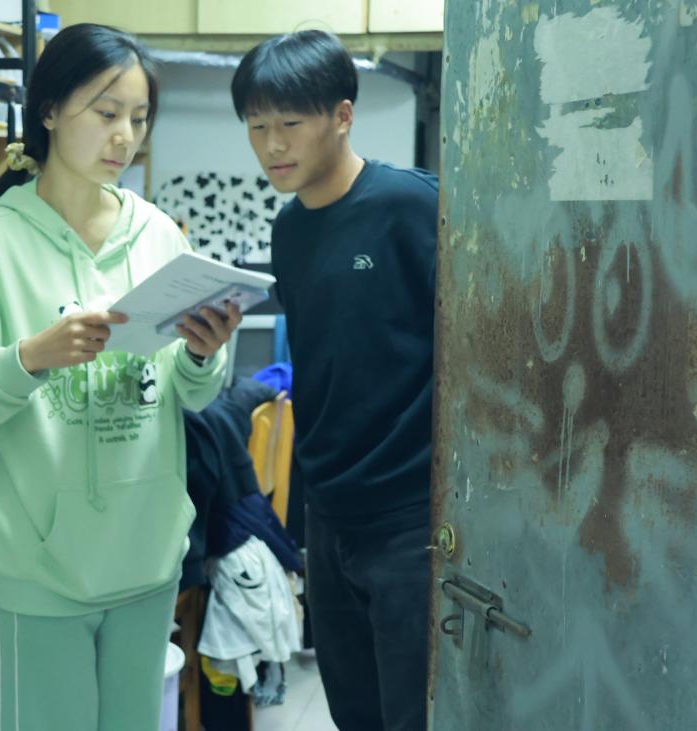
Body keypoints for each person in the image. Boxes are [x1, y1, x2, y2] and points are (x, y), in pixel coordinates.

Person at [0, 24, 242, 730]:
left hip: (145, 561)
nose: (125, 135)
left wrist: (202, 355)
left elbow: (193, 394)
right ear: (52, 110)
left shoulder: (161, 238)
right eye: (107, 112)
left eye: (139, 118)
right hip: (33, 572)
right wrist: (28, 358)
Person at [232, 30, 438, 730]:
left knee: (414, 716)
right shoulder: (288, 230)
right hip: (328, 512)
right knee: (354, 713)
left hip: (411, 517)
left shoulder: (413, 207)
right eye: (256, 126)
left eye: (290, 123)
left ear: (343, 116)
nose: (272, 146)